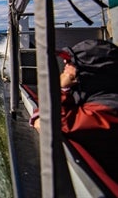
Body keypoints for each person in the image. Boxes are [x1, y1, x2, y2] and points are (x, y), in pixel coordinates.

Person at [30, 39, 118, 183]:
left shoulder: (109, 108)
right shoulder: (92, 95)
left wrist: (60, 86)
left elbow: (50, 122)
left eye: (70, 61)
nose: (65, 64)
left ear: (89, 69)